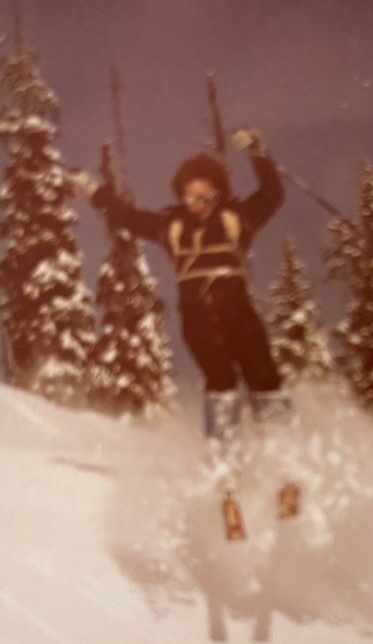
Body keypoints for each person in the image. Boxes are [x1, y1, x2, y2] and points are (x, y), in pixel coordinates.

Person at [71, 128, 290, 447]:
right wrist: (93, 189)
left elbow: (271, 194)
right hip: (198, 319)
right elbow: (126, 216)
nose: (198, 204)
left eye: (205, 196)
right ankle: (225, 457)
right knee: (220, 381)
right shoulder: (171, 227)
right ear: (181, 197)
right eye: (191, 197)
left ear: (218, 192)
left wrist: (258, 153)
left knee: (263, 375)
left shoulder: (236, 219)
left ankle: (284, 450)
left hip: (239, 314)